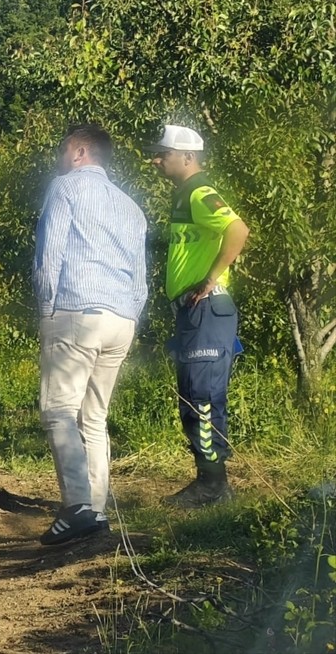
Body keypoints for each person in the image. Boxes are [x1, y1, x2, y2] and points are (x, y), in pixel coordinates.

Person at [33, 124, 148, 545]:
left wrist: (46, 311)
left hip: (76, 310)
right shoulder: (131, 206)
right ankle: (96, 511)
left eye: (64, 150)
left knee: (59, 410)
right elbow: (140, 279)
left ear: (81, 152)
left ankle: (78, 508)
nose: (59, 158)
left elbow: (49, 258)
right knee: (94, 417)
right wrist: (131, 315)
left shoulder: (65, 187)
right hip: (122, 318)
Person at [146, 124, 249, 508]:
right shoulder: (184, 195)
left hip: (206, 309)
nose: (156, 161)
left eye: (164, 154)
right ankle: (211, 482)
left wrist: (210, 278)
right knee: (193, 395)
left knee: (202, 397)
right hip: (194, 312)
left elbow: (238, 230)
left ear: (188, 157)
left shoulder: (200, 192)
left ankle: (213, 486)